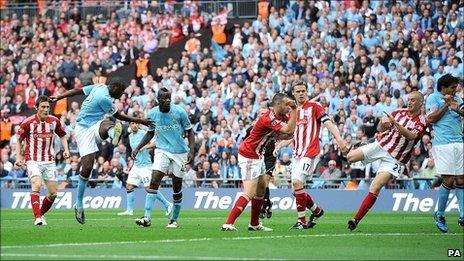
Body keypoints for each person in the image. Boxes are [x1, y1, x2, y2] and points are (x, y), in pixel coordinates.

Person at [51, 78, 151, 224]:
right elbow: (120, 116)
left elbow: (78, 90)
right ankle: (78, 204)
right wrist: (142, 121)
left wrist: (60, 96)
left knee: (107, 124)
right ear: (115, 88)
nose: (122, 94)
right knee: (87, 168)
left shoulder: (99, 86)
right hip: (83, 130)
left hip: (95, 125)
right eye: (121, 92)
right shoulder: (104, 98)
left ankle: (112, 135)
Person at [346, 91, 428, 231]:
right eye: (408, 99)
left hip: (395, 159)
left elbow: (411, 136)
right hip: (381, 145)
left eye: (413, 100)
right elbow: (380, 128)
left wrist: (395, 123)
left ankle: (355, 219)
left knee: (376, 186)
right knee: (349, 157)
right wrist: (383, 125)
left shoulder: (422, 121)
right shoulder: (398, 112)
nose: (409, 102)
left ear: (421, 103)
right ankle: (359, 146)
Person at [274, 80, 349, 229]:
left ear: (306, 92)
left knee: (296, 182)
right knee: (295, 191)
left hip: (310, 152)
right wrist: (283, 143)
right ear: (293, 94)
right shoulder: (293, 112)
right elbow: (294, 134)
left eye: (303, 90)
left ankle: (301, 221)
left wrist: (339, 139)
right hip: (297, 154)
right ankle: (316, 210)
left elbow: (328, 123)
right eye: (298, 91)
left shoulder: (315, 107)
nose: (301, 93)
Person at [222, 93, 297, 231]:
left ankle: (254, 224)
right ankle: (228, 223)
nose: (289, 107)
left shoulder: (281, 116)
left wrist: (289, 123)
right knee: (249, 192)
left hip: (258, 156)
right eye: (286, 104)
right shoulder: (269, 118)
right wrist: (294, 110)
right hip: (249, 155)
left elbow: (292, 131)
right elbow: (289, 130)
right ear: (278, 104)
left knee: (261, 189)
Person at [132, 88, 195, 228]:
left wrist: (191, 150)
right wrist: (138, 147)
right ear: (158, 100)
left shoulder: (179, 112)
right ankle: (147, 217)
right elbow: (150, 133)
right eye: (164, 99)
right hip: (162, 150)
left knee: (176, 186)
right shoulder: (153, 113)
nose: (167, 101)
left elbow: (190, 132)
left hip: (180, 152)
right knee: (154, 181)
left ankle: (174, 220)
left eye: (169, 99)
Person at [14, 96, 71, 225]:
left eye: (47, 107)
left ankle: (41, 214)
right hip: (33, 159)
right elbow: (19, 139)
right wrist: (18, 157)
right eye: (43, 107)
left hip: (49, 161)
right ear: (36, 108)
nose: (46, 109)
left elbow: (62, 135)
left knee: (53, 194)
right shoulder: (28, 123)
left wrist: (66, 150)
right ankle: (37, 217)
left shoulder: (54, 121)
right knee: (37, 184)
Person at [426, 74, 464, 232]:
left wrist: (458, 110)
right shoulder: (433, 98)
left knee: (461, 179)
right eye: (453, 87)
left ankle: (463, 215)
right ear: (444, 87)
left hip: (459, 142)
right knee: (448, 179)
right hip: (443, 144)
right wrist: (446, 106)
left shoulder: (459, 99)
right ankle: (439, 214)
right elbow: (431, 118)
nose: (456, 89)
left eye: (456, 87)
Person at [117, 113, 173, 218]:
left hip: (146, 166)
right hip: (136, 165)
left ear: (138, 125)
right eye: (132, 123)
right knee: (129, 186)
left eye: (136, 123)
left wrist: (146, 146)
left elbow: (157, 142)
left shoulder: (144, 133)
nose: (134, 125)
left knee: (149, 189)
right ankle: (129, 210)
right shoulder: (130, 137)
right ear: (129, 125)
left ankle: (167, 204)